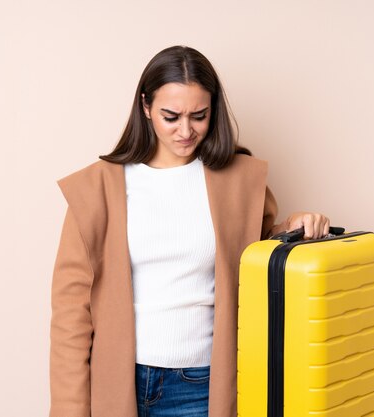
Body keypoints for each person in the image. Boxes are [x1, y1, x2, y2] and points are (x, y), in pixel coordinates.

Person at [49, 45, 330, 417]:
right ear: (146, 107)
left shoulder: (239, 181)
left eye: (199, 116)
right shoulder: (98, 190)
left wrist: (295, 228)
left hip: (202, 384)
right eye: (171, 116)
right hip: (118, 382)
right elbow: (71, 316)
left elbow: (255, 257)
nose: (186, 130)